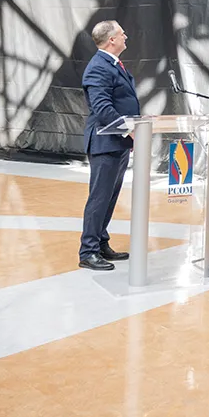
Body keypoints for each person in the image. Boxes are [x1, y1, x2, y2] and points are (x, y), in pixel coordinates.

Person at [79, 20, 140, 271]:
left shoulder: (113, 65)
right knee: (99, 198)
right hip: (105, 142)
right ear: (111, 40)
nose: (126, 35)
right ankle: (88, 251)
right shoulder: (98, 68)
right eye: (121, 32)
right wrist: (131, 130)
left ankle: (101, 242)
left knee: (110, 198)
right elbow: (102, 108)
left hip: (118, 143)